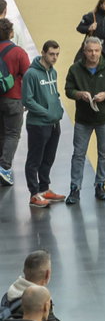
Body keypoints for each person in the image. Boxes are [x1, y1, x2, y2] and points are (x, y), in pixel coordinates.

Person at [63, 35, 105, 204]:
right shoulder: (75, 69)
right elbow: (68, 90)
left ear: (101, 51)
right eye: (90, 51)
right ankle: (75, 188)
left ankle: (100, 185)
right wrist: (79, 94)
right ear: (84, 51)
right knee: (78, 154)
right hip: (83, 119)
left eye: (96, 51)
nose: (93, 54)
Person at [20, 39, 64, 207]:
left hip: (54, 123)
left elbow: (54, 95)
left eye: (57, 54)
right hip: (38, 124)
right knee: (34, 160)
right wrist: (46, 112)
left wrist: (57, 111)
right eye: (51, 54)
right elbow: (27, 100)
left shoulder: (53, 72)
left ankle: (45, 189)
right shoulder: (31, 74)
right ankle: (34, 194)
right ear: (43, 52)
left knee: (48, 158)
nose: (54, 58)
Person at [0, 17, 29, 188]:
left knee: (1, 133)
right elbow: (28, 76)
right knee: (12, 134)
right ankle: (4, 168)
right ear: (11, 33)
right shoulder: (18, 52)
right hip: (13, 98)